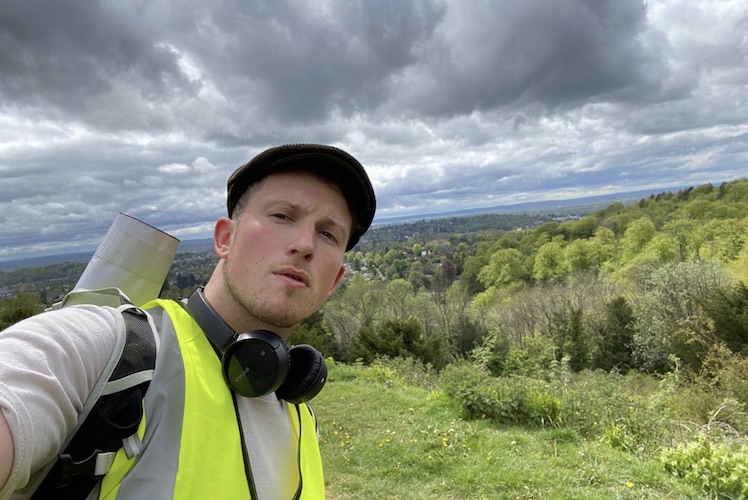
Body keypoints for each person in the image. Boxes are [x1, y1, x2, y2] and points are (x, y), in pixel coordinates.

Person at [0, 143, 376, 499]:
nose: (305, 244)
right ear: (225, 239)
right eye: (282, 216)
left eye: (328, 233)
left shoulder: (300, 417)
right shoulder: (114, 350)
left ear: (335, 280)